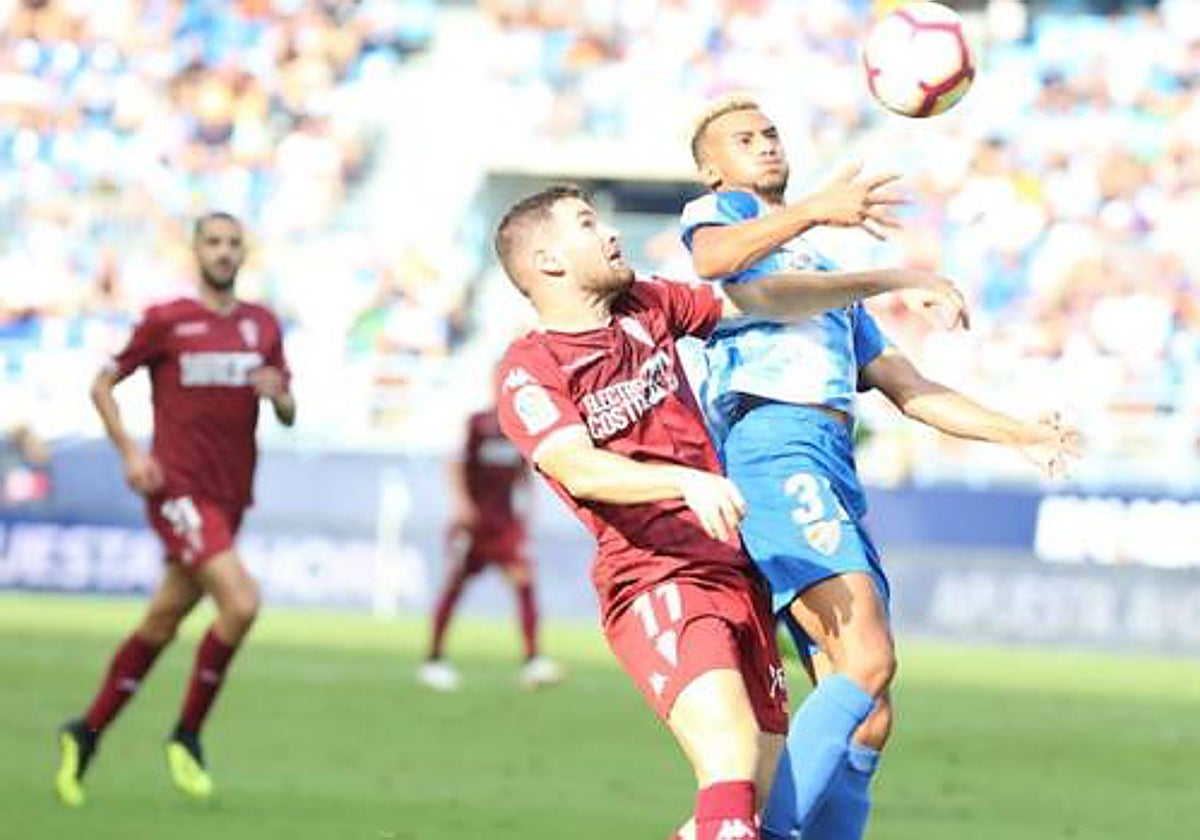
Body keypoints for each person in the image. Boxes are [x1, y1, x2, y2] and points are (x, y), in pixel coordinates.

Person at [490, 185, 966, 840]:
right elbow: (577, 466)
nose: (610, 234)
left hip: (734, 571)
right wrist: (684, 482)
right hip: (656, 579)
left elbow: (762, 301)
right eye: (586, 224)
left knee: (754, 814)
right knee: (731, 761)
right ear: (548, 260)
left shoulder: (647, 305)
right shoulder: (530, 369)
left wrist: (888, 280)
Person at [681, 95, 1081, 840]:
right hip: (773, 444)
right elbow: (728, 272)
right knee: (867, 658)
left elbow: (907, 386)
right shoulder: (722, 220)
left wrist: (1014, 430)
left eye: (770, 131)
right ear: (713, 170)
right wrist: (880, 267)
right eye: (744, 138)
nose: (765, 142)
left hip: (828, 461)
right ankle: (750, 834)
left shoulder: (827, 274)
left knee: (868, 714)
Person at [54, 212, 295, 807]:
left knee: (162, 621)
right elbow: (102, 384)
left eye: (233, 243)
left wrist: (280, 394)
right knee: (242, 603)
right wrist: (130, 454)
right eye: (213, 242)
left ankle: (85, 732)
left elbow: (288, 409)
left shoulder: (261, 325)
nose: (223, 252)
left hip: (232, 494)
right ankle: (187, 734)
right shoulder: (167, 320)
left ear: (244, 254)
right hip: (179, 491)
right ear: (196, 252)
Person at [416, 402, 565, 691]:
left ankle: (532, 659)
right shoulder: (477, 422)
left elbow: (527, 470)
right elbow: (455, 461)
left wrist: (528, 509)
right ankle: (433, 659)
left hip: (505, 524)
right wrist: (460, 503)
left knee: (524, 579)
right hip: (473, 522)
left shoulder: (518, 425)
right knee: (454, 584)